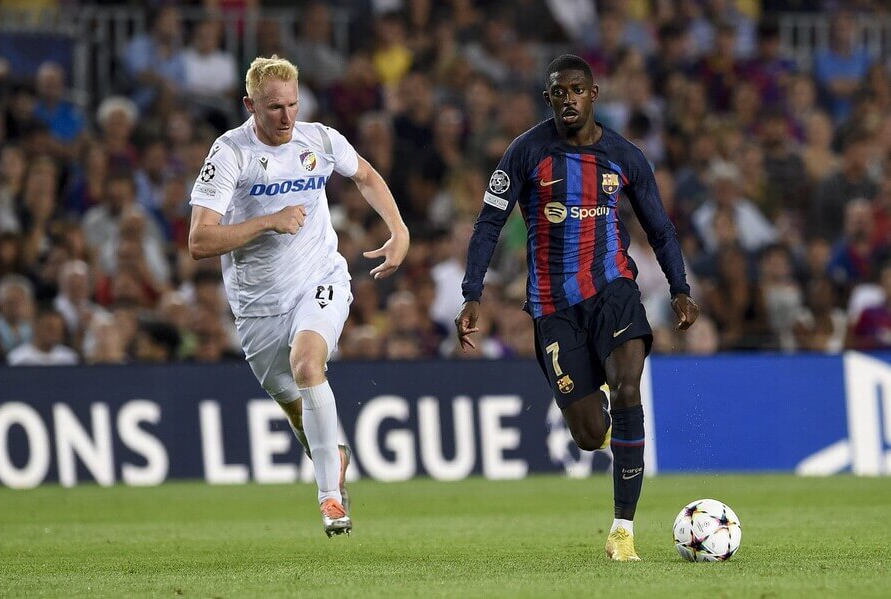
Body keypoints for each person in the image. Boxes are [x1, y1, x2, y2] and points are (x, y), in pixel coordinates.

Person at [455, 55, 698, 561]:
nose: (568, 100)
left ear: (594, 93)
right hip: (553, 306)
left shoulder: (624, 157)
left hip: (614, 289)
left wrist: (679, 286)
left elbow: (660, 227)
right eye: (558, 93)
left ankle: (622, 532)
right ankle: (611, 423)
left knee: (629, 387)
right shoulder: (525, 152)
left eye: (577, 90)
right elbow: (488, 224)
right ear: (549, 99)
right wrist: (472, 292)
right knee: (590, 436)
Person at [187, 55, 408, 537]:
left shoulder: (320, 139)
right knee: (297, 407)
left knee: (309, 365)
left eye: (292, 104)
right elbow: (199, 242)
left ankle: (330, 500)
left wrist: (399, 230)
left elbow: (365, 175)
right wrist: (268, 220)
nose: (286, 117)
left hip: (320, 278)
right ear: (250, 105)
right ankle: (332, 455)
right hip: (258, 306)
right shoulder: (230, 154)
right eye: (273, 108)